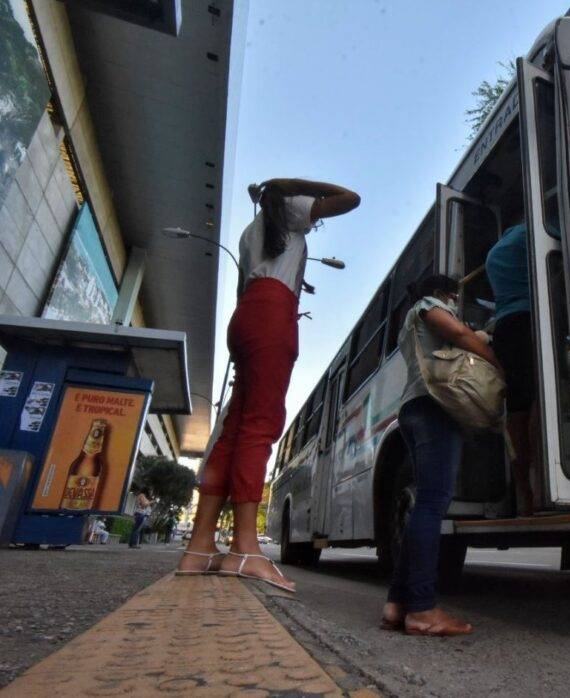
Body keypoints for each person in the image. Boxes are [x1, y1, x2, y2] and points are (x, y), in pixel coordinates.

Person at [176, 178, 360, 591]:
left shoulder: (250, 232)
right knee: (260, 427)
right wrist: (291, 183)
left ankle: (199, 547)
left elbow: (252, 281)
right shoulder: (291, 208)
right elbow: (350, 198)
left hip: (245, 316)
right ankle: (245, 549)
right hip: (273, 315)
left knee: (234, 430)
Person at [381, 274, 500, 636]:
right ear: (439, 293)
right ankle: (422, 609)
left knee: (423, 506)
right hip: (434, 409)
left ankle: (396, 604)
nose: (453, 299)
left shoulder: (409, 324)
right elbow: (460, 335)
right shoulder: (428, 307)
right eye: (452, 294)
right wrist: (496, 360)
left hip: (414, 410)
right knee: (432, 505)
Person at [485, 221, 537, 516]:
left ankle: (525, 494)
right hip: (530, 318)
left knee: (517, 409)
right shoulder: (533, 231)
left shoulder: (497, 251)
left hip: (506, 326)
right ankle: (544, 482)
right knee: (542, 401)